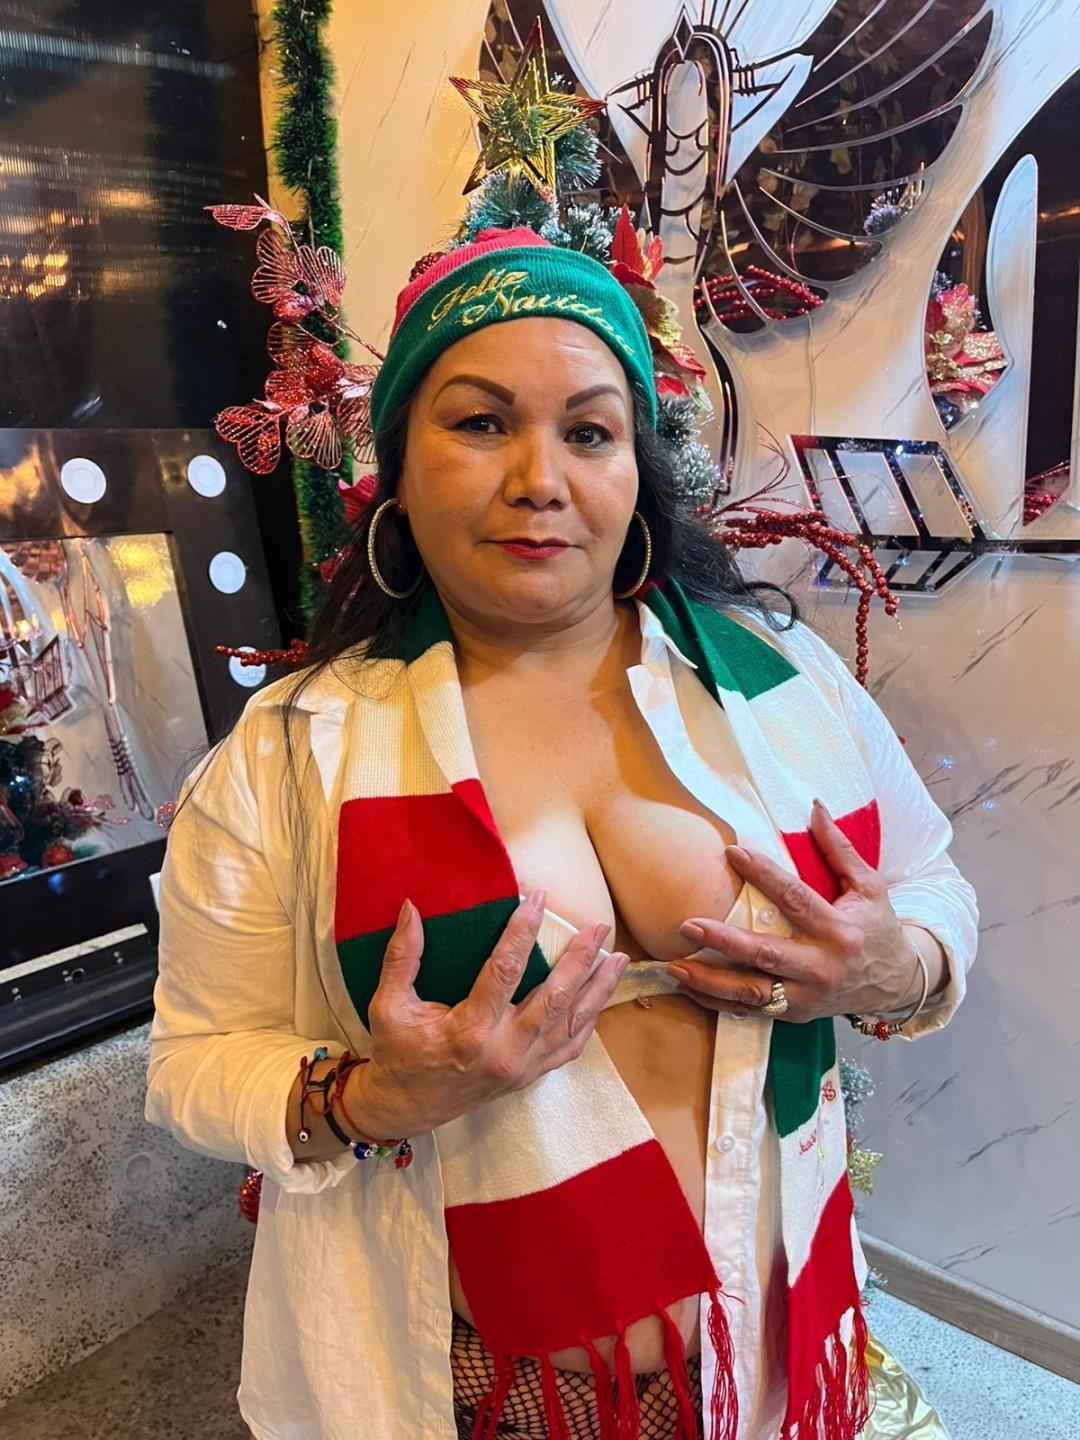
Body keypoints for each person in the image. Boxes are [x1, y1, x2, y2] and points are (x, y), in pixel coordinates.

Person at [145, 226, 978, 1440]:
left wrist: (895, 968)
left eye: (589, 432)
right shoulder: (287, 755)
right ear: (397, 466)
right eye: (481, 423)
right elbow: (193, 1065)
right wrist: (377, 1097)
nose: (540, 478)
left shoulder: (783, 685)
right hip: (485, 1394)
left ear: (635, 469)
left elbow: (930, 880)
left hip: (777, 1352)